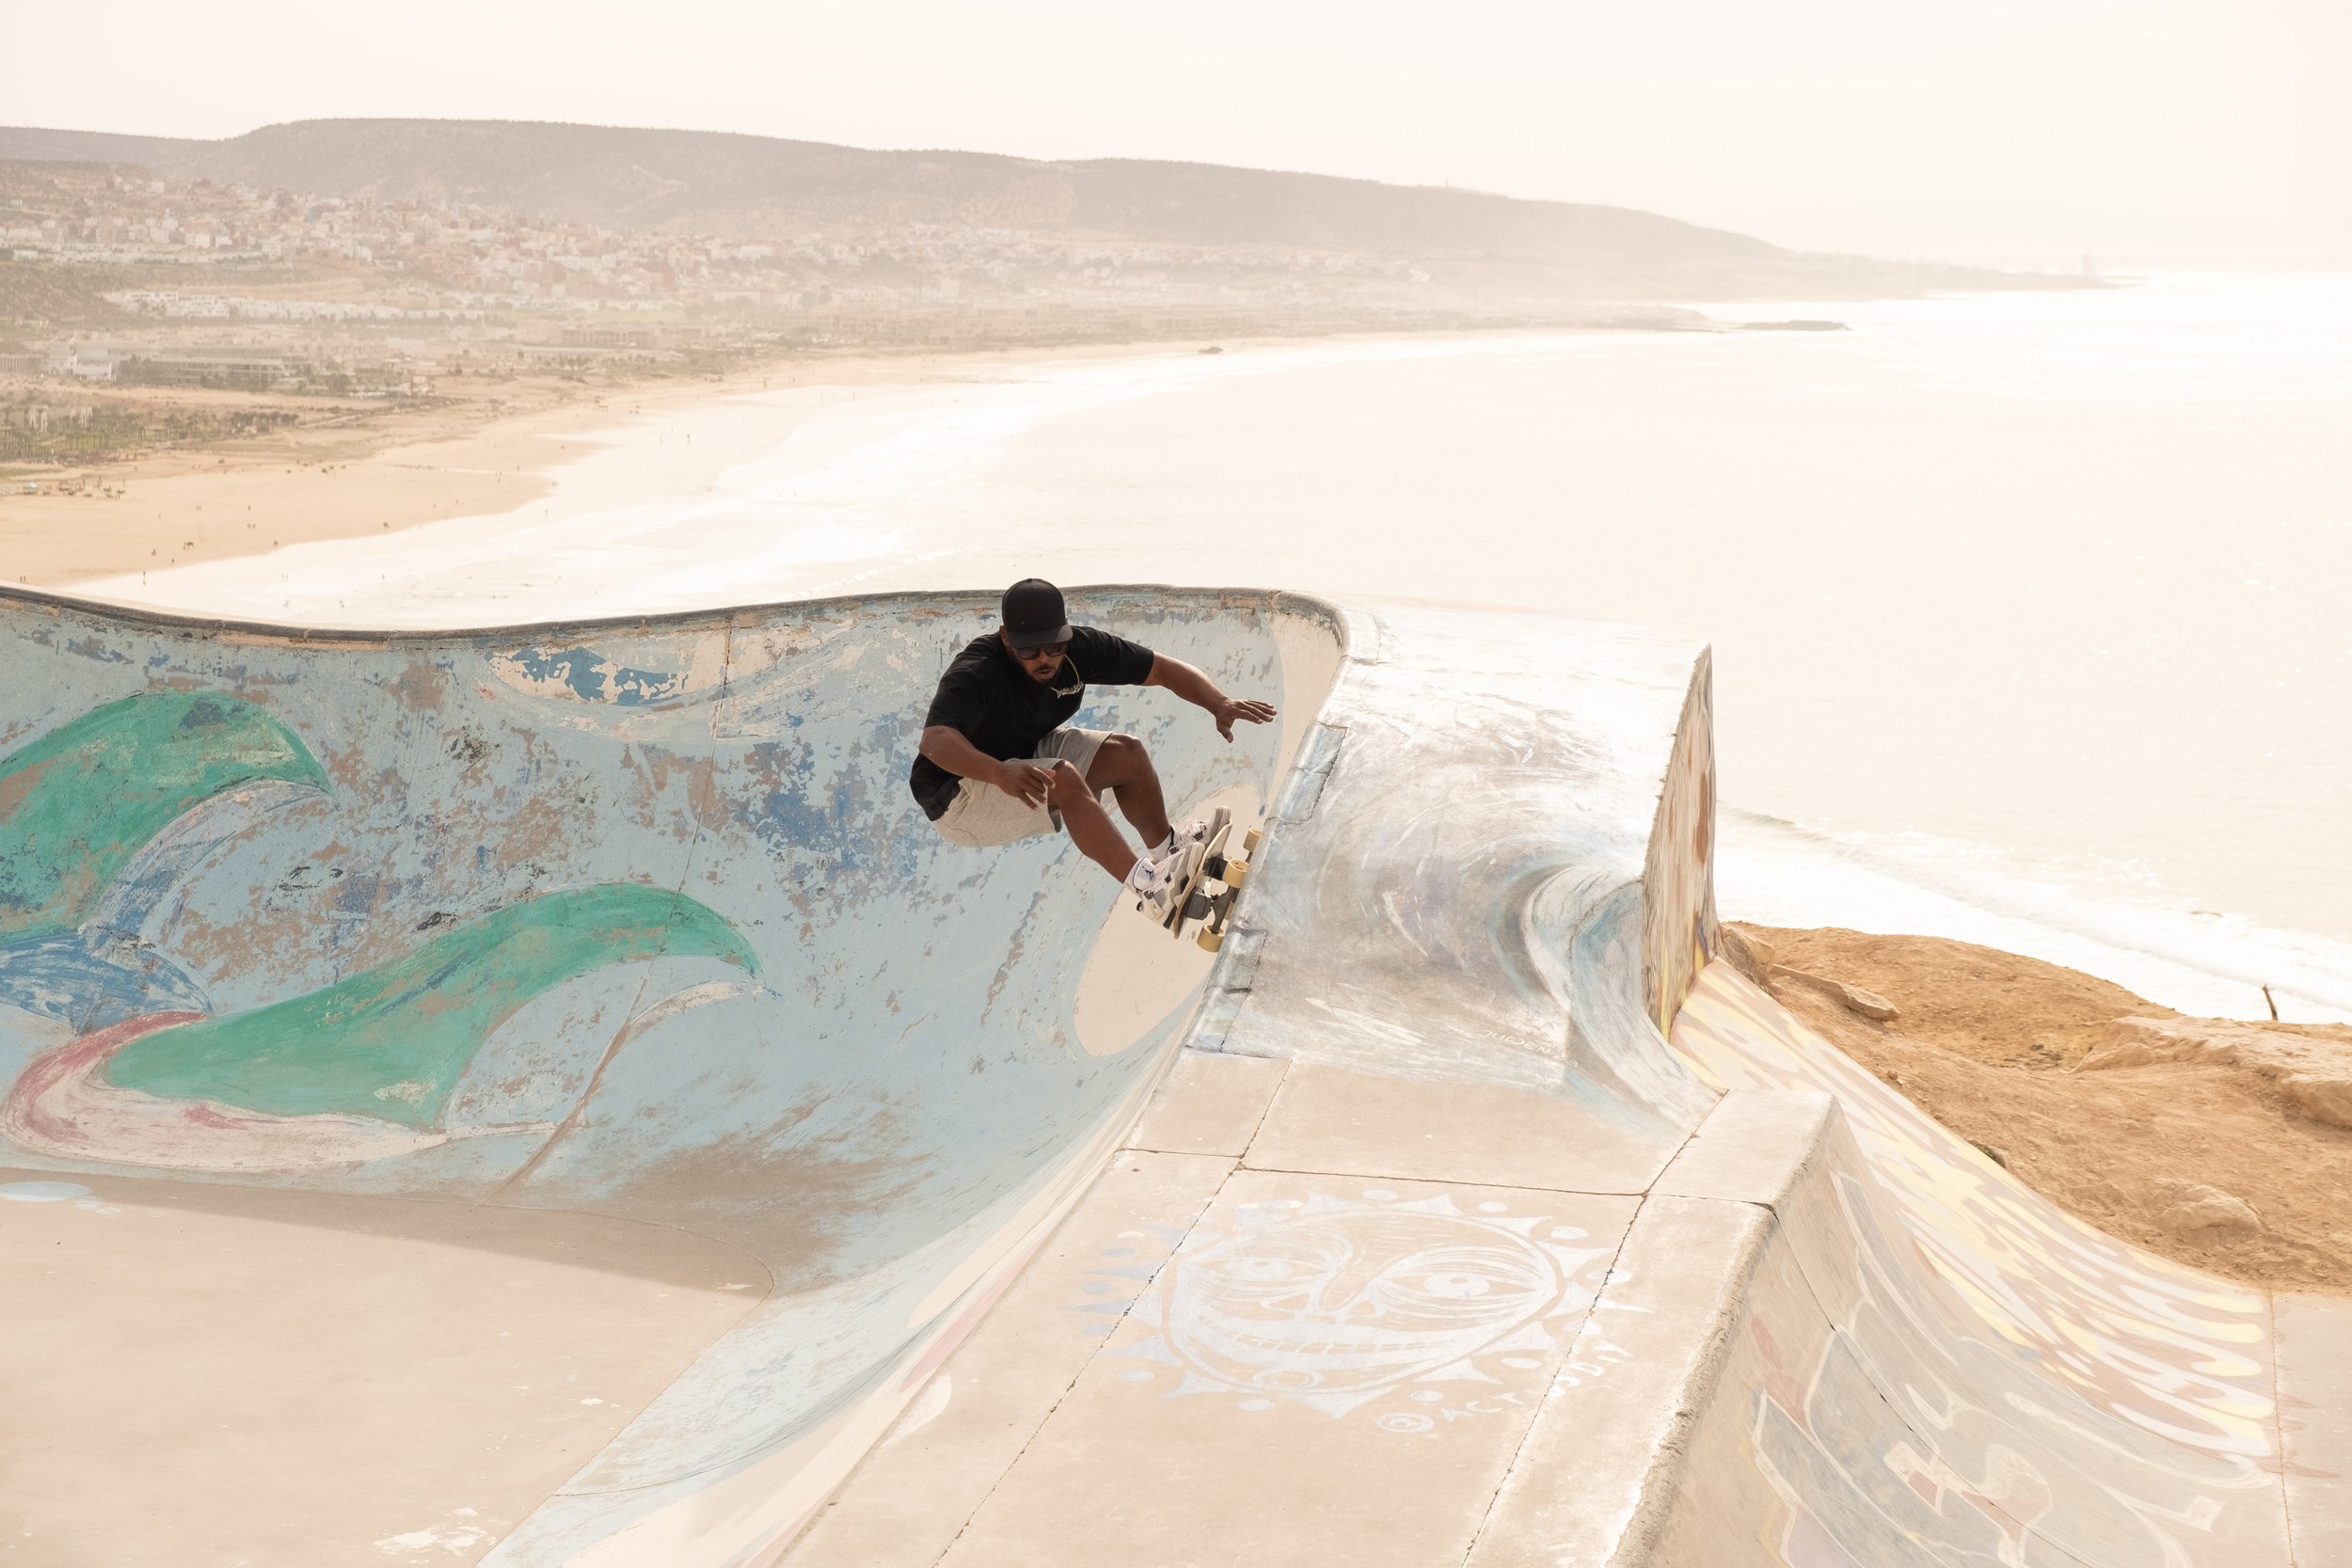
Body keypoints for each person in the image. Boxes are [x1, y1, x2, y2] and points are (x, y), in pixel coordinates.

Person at [911, 578, 1278, 922]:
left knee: (1126, 754)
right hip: (957, 794)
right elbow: (935, 740)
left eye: (1054, 647)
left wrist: (1218, 702)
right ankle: (1150, 889)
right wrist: (998, 772)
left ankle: (1169, 853)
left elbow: (1161, 669)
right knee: (1063, 779)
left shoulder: (1080, 650)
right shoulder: (976, 671)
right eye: (1029, 650)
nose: (1044, 659)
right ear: (1005, 637)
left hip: (1020, 755)